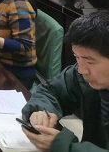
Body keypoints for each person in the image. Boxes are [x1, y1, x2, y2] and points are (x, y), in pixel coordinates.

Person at [21, 11, 109, 151]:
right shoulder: (81, 75)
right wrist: (42, 111)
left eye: (90, 62)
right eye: (77, 57)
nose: (81, 70)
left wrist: (65, 146)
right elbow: (51, 91)